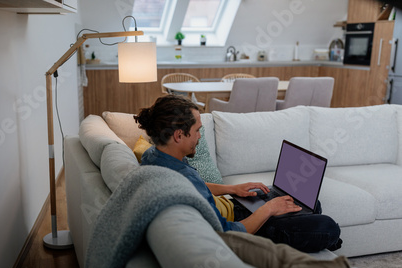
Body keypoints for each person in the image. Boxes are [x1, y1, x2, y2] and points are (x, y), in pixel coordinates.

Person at [134, 95, 342, 253]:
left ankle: (301, 226)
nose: (199, 136)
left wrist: (232, 189)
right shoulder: (176, 176)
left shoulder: (154, 155)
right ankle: (317, 235)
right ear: (179, 135)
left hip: (232, 206)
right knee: (328, 226)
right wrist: (268, 209)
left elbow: (195, 188)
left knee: (308, 203)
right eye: (197, 130)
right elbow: (227, 234)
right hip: (243, 225)